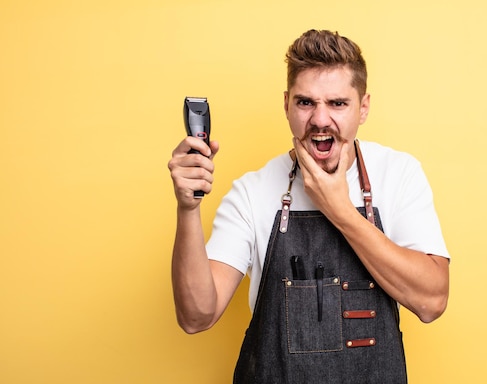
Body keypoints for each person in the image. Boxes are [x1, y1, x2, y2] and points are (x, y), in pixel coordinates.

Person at [168, 29, 450, 383]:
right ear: (286, 104)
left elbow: (432, 301)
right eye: (305, 103)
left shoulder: (399, 174)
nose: (320, 120)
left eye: (337, 103)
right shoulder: (251, 192)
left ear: (363, 108)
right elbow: (196, 316)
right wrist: (187, 208)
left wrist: (340, 209)